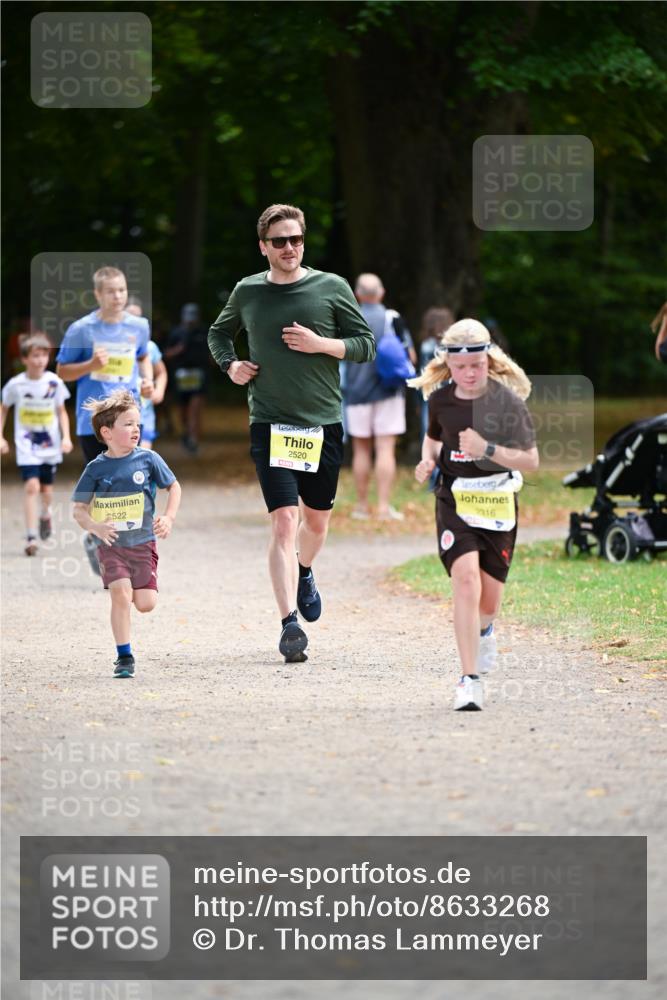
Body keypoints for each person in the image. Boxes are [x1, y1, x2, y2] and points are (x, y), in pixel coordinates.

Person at [208, 203, 375, 663]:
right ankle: (288, 626)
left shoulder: (331, 287)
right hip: (270, 422)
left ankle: (305, 570)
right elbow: (218, 335)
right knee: (284, 521)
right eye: (279, 241)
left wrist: (321, 344)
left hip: (322, 421)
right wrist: (232, 365)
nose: (289, 248)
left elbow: (366, 345)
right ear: (263, 247)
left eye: (296, 239)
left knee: (315, 522)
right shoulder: (248, 292)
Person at [410, 318, 538, 711]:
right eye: (461, 366)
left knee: (489, 603)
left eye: (477, 365)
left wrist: (486, 449)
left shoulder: (507, 403)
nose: (469, 373)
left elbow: (530, 461)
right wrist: (426, 463)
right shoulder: (441, 401)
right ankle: (469, 680)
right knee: (465, 582)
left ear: (488, 359)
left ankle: (485, 630)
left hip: (498, 504)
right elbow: (432, 441)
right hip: (454, 502)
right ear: (448, 363)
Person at [71, 389, 181, 679]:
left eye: (137, 423)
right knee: (120, 594)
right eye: (128, 424)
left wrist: (168, 517)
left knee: (145, 604)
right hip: (111, 543)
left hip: (143, 543)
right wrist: (94, 527)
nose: (136, 429)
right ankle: (124, 657)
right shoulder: (95, 469)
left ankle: (138, 586)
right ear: (107, 432)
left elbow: (174, 487)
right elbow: (78, 509)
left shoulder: (148, 459)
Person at [56, 267, 153, 573]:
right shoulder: (82, 329)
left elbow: (142, 357)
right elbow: (61, 372)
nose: (118, 296)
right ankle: (99, 537)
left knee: (132, 483)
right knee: (105, 486)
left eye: (122, 290)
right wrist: (91, 365)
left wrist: (147, 381)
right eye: (110, 291)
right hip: (94, 422)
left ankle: (123, 550)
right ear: (97, 294)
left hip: (129, 417)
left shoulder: (138, 326)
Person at [343, 273, 416, 521]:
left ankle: (362, 507)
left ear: (358, 295)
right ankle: (384, 507)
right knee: (385, 448)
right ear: (381, 293)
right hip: (388, 392)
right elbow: (410, 357)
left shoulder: (348, 318)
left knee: (360, 449)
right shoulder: (392, 318)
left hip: (355, 393)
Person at [1, 333, 73, 555]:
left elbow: (62, 412)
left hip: (49, 446)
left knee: (46, 490)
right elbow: (3, 409)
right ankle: (31, 537)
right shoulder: (16, 385)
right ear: (24, 359)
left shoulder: (54, 382)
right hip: (26, 445)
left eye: (43, 355)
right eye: (35, 355)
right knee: (31, 487)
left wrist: (66, 437)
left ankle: (46, 514)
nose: (39, 360)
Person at [164, 303, 210, 453]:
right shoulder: (176, 332)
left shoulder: (204, 332)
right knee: (183, 411)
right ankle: (186, 433)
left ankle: (193, 439)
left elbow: (212, 352)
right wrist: (177, 350)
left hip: (199, 376)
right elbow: (165, 354)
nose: (190, 321)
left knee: (195, 409)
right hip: (181, 377)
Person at [126, 296, 168, 450]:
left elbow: (161, 372)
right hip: (120, 417)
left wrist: (159, 391)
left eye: (138, 318)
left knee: (141, 459)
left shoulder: (150, 347)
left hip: (145, 415)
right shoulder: (113, 347)